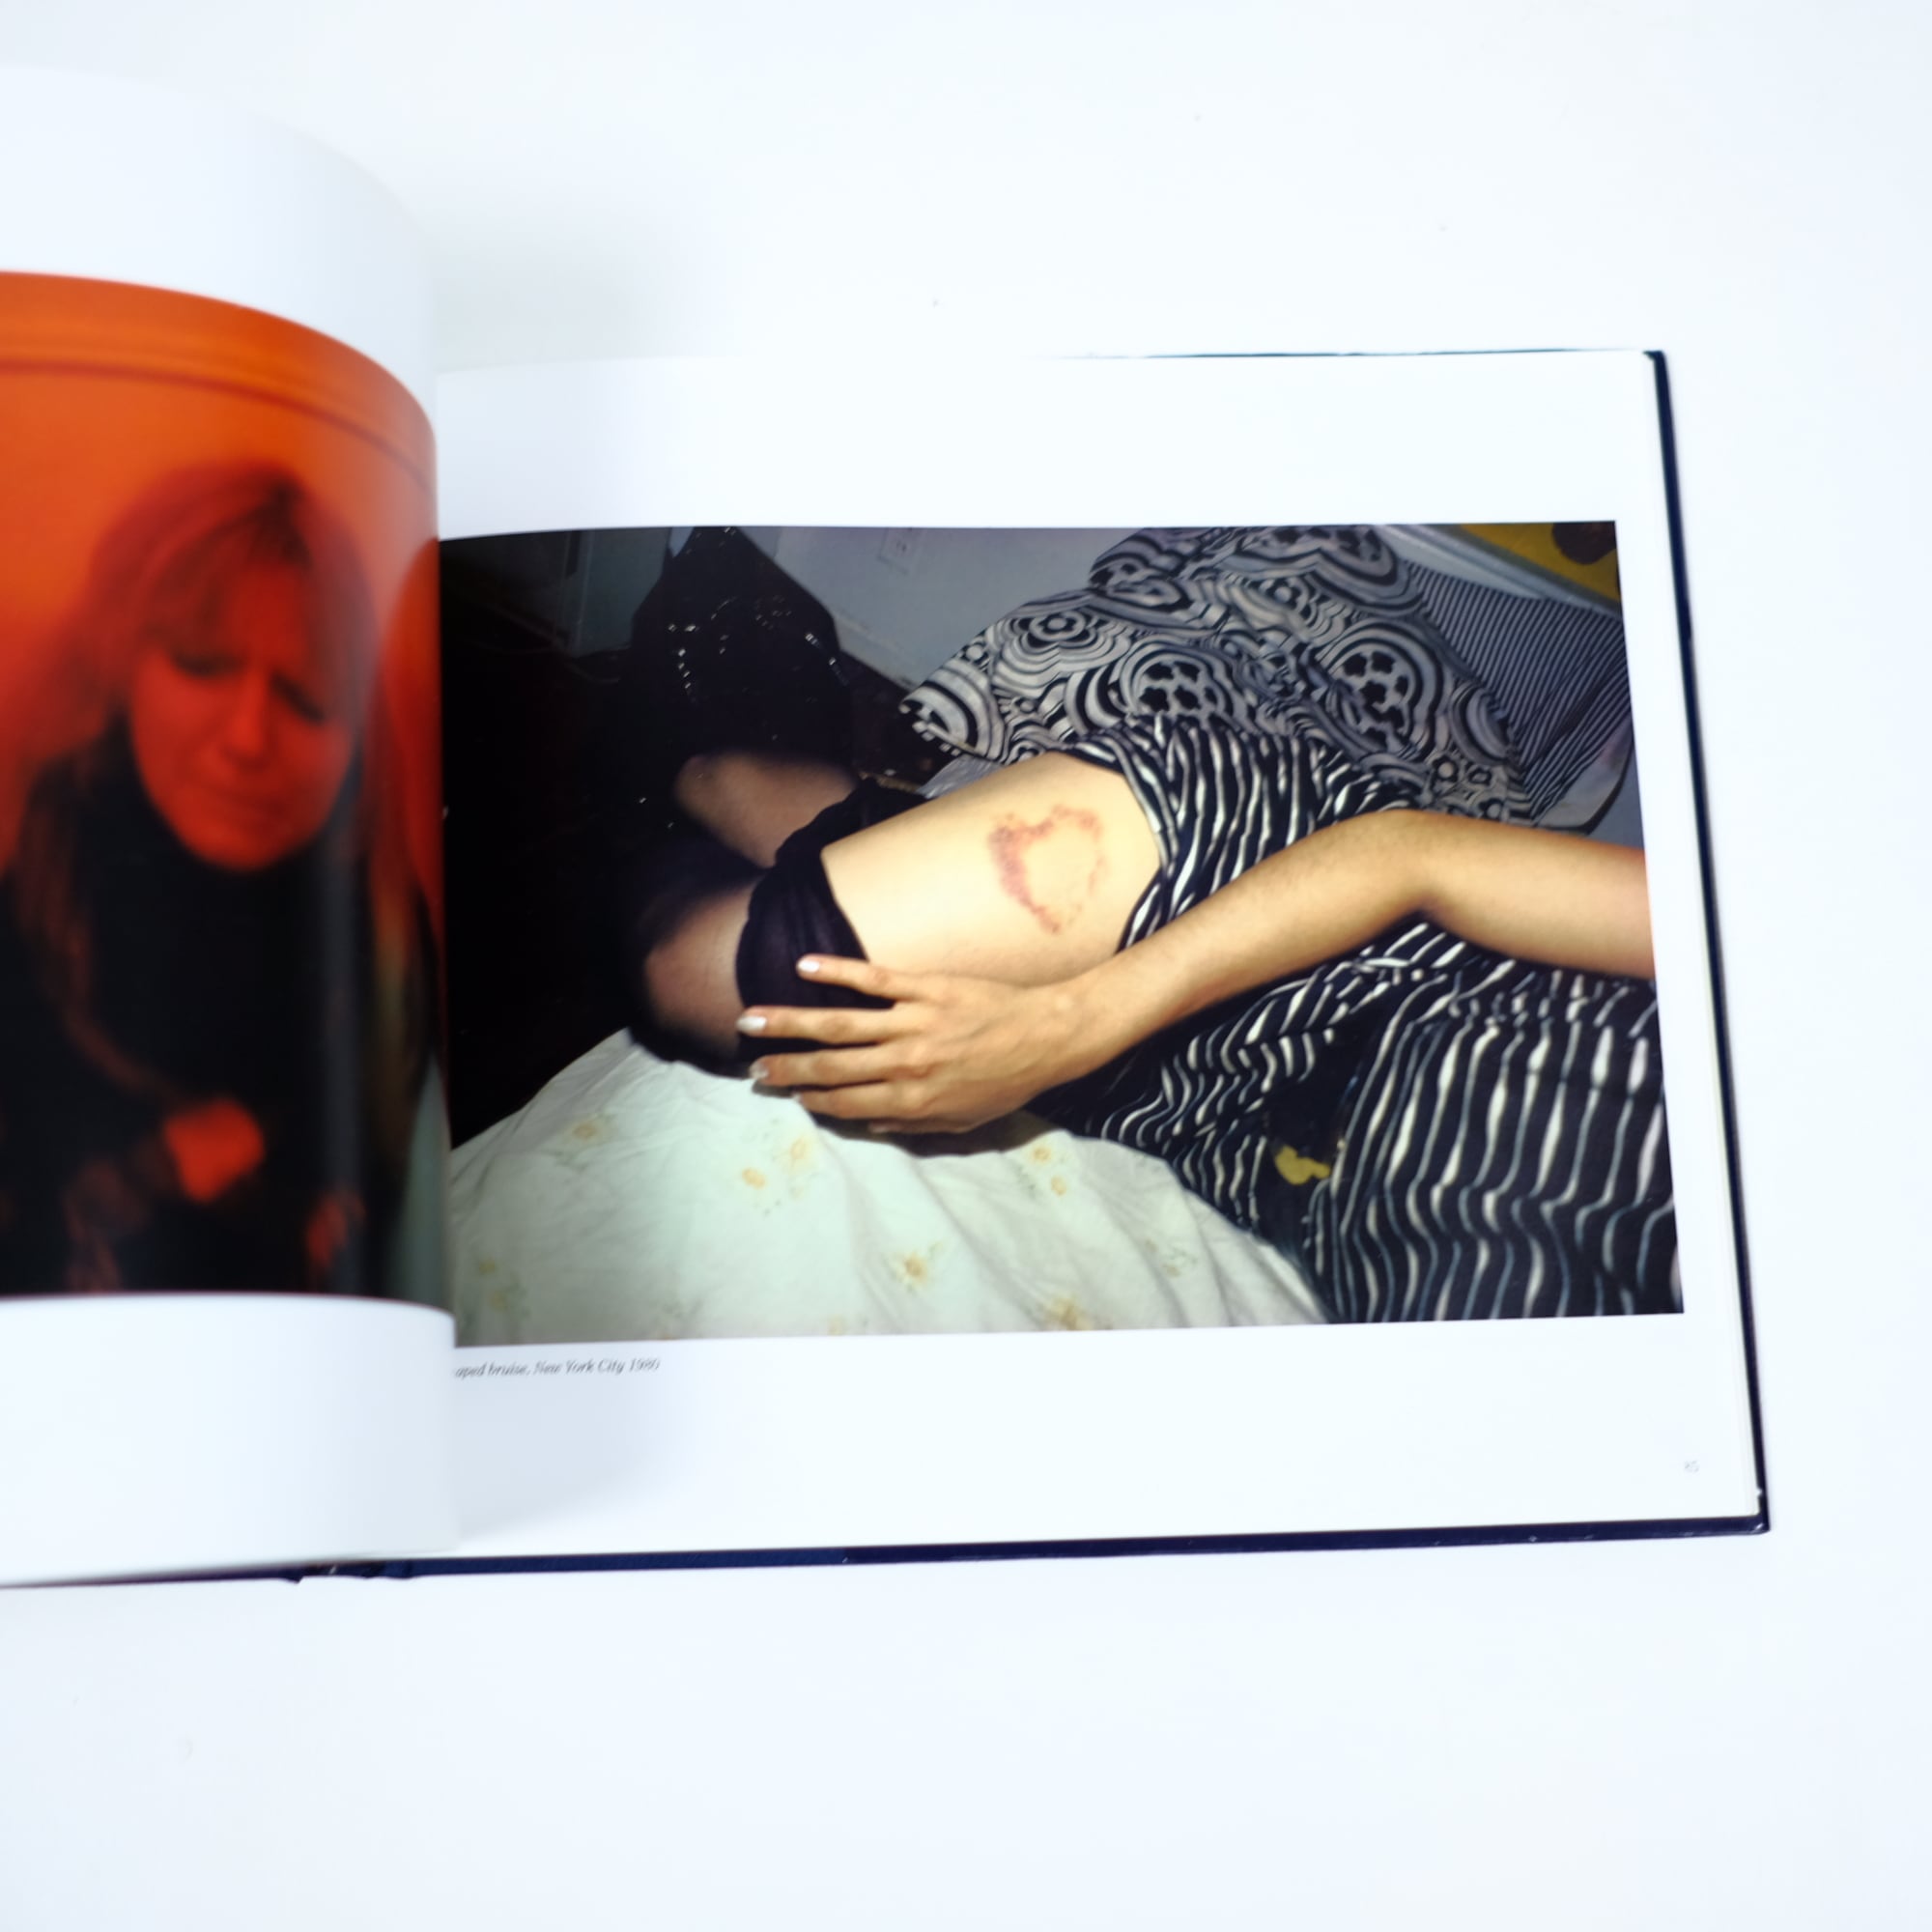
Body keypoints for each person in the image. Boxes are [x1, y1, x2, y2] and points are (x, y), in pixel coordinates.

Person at [628, 705, 1677, 1323]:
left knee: (711, 946)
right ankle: (692, 757)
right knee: (692, 966)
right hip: (1307, 928)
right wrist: (1073, 1021)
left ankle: (884, 816)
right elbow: (1415, 853)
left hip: (1234, 1135)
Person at [0, 465, 434, 1296]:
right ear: (125, 663)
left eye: (307, 696)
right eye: (202, 661)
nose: (247, 736)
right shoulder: (31, 866)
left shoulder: (381, 935)